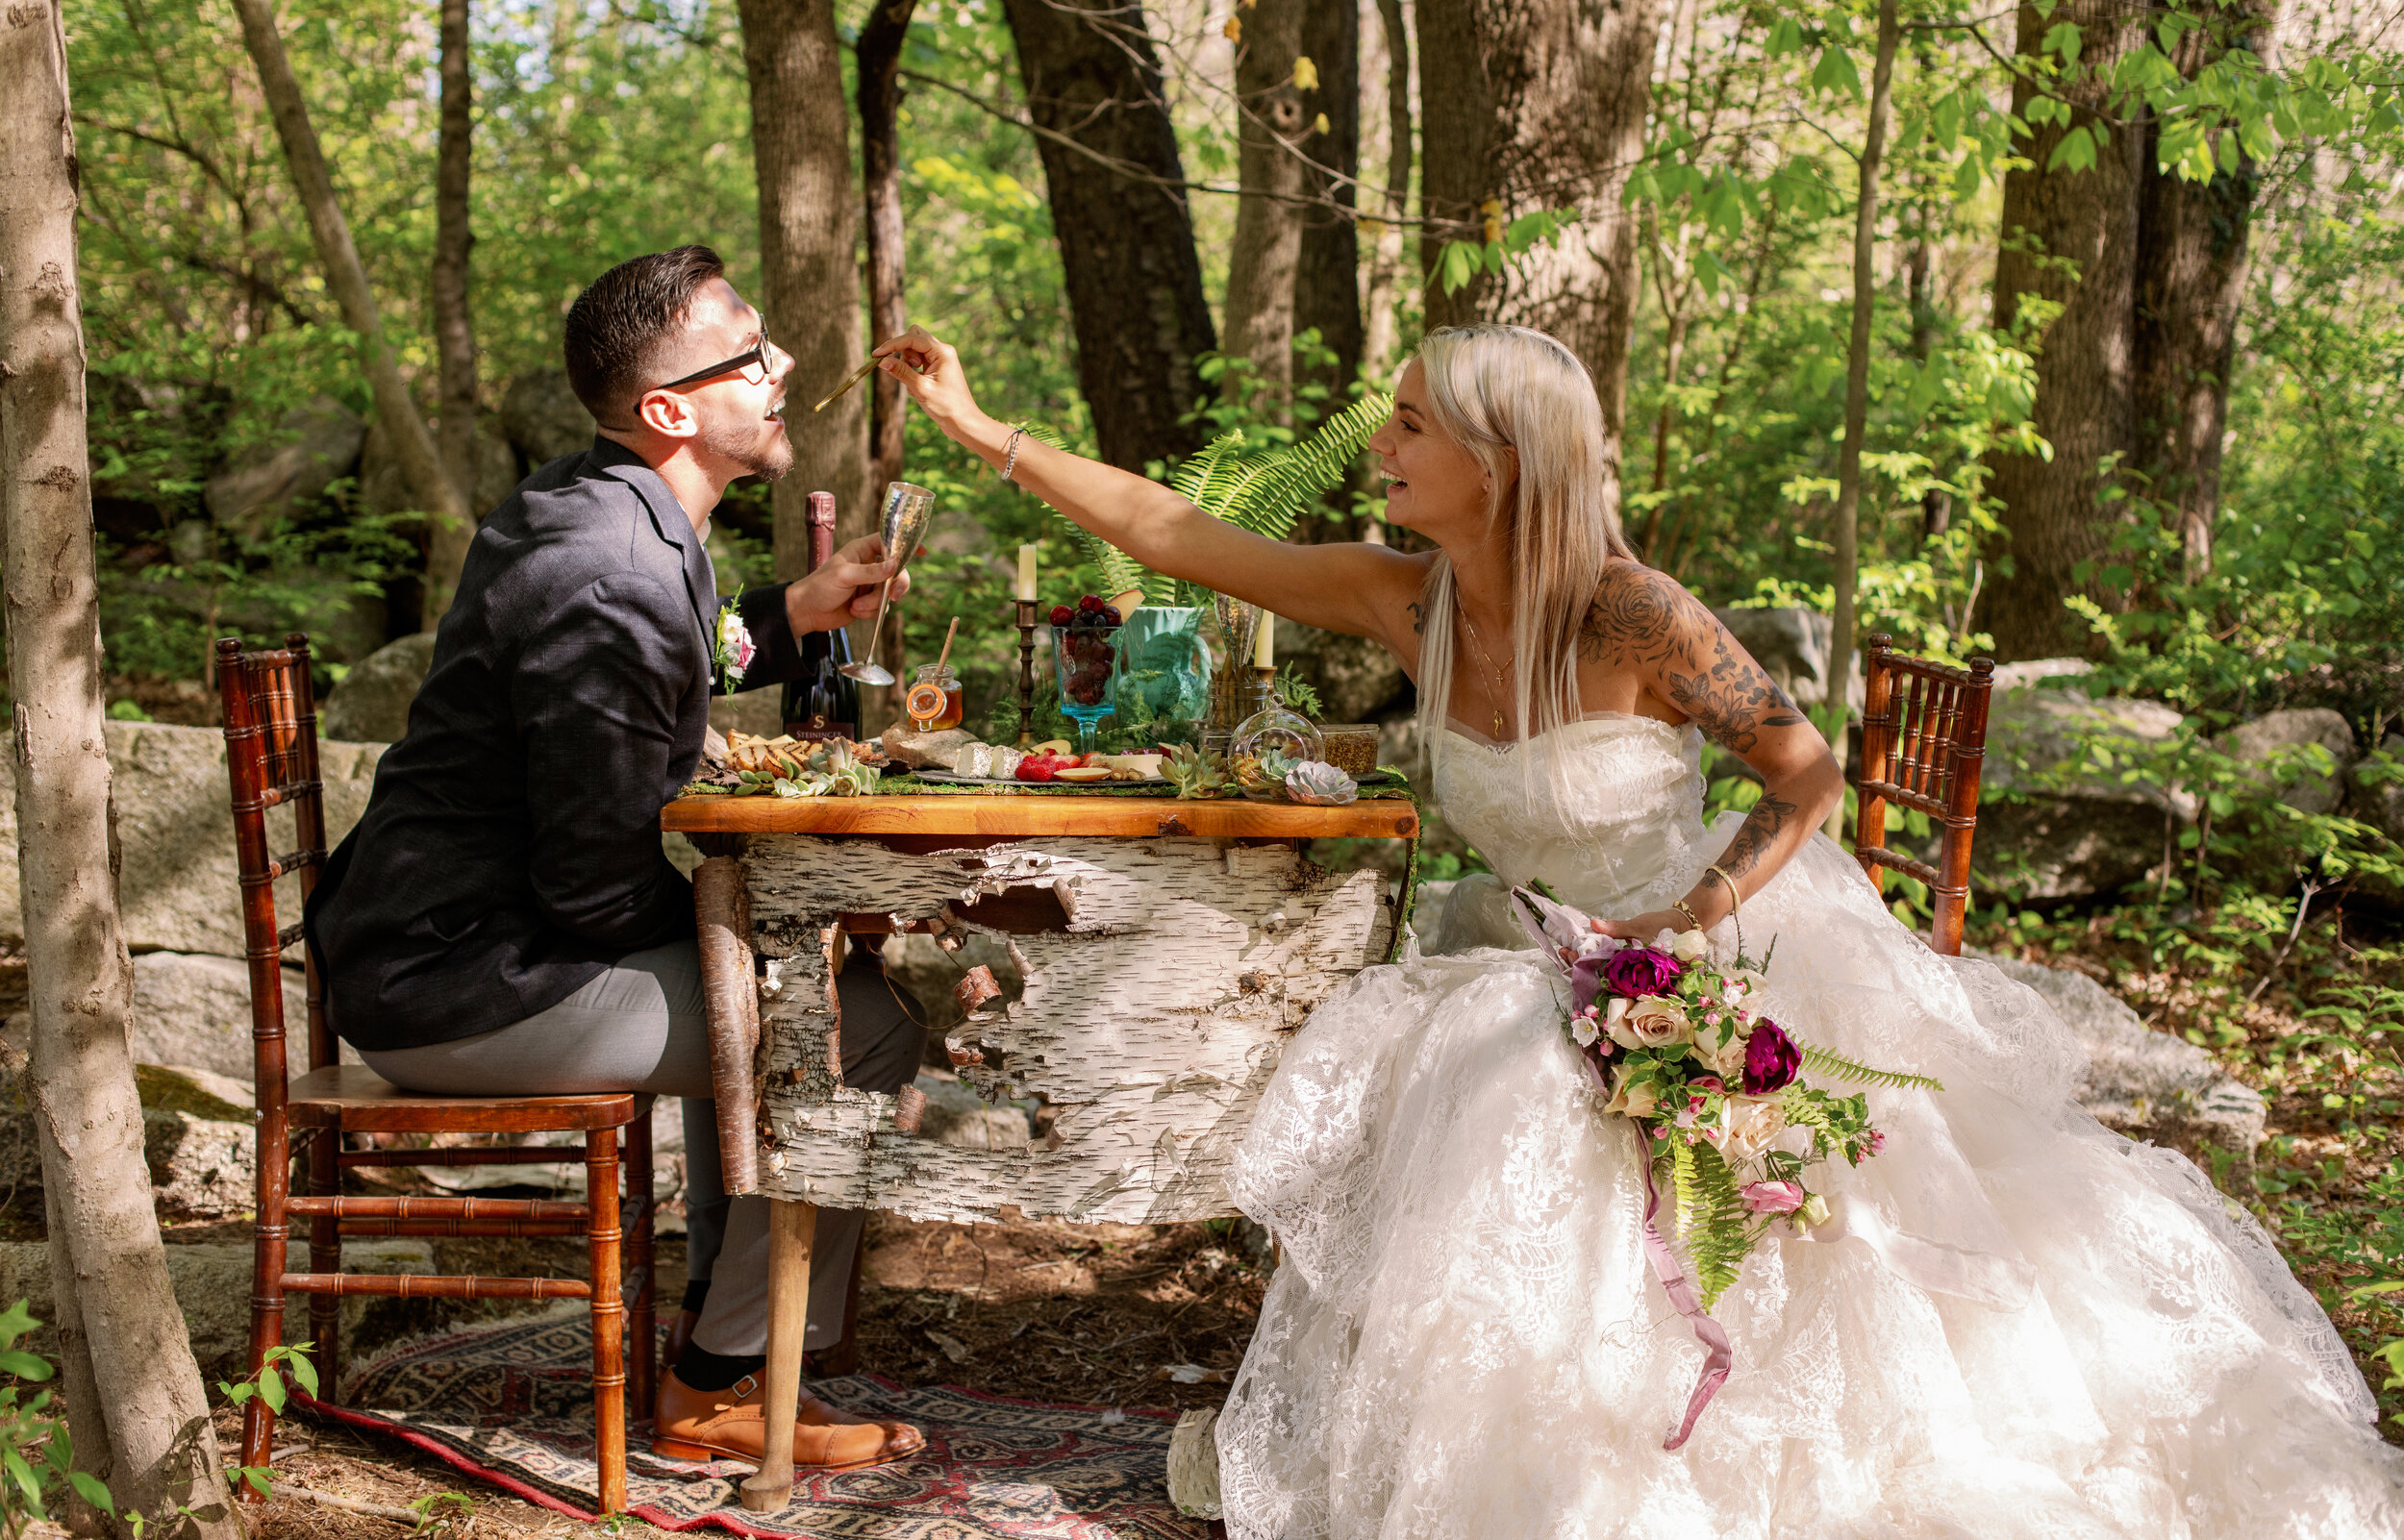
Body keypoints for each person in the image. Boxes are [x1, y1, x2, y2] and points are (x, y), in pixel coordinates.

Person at [871, 320, 2404, 1536]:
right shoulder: (1406, 598)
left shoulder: (1633, 613)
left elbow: (1803, 773)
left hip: (1716, 939)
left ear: (1501, 454)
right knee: (1454, 1060)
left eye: (1412, 422)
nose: (1384, 443)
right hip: (1532, 941)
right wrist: (981, 429)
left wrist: (1688, 917)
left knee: (1519, 1088)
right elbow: (1180, 536)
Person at [308, 245, 924, 1471]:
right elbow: (591, 892)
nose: (783, 363)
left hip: (436, 951)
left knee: (771, 981)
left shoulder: (601, 505)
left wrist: (792, 615)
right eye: (751, 353)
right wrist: (755, 917)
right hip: (470, 986)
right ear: (671, 410)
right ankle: (711, 1387)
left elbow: (677, 645)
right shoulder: (613, 575)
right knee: (865, 1026)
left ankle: (720, 1309)